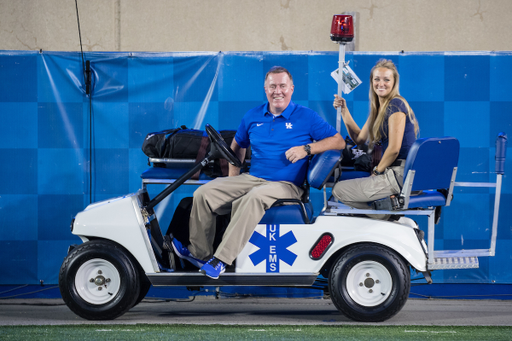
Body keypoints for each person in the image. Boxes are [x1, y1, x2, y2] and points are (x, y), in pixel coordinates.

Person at [172, 66, 344, 279]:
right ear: (265, 89)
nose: (277, 91)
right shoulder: (252, 116)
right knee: (203, 194)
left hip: (287, 185)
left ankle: (221, 260)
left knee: (254, 197)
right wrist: (232, 179)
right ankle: (201, 255)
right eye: (273, 86)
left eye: (282, 86)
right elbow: (238, 145)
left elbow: (338, 141)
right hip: (253, 178)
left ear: (291, 89)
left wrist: (306, 149)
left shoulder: (306, 117)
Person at [331, 59, 419, 210]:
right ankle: (385, 212)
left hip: (399, 175)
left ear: (394, 82)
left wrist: (377, 172)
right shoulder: (379, 109)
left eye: (386, 79)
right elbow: (359, 138)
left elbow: (394, 149)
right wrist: (344, 111)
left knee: (338, 190)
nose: (381, 83)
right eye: (377, 79)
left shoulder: (395, 104)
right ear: (372, 82)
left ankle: (386, 214)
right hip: (394, 173)